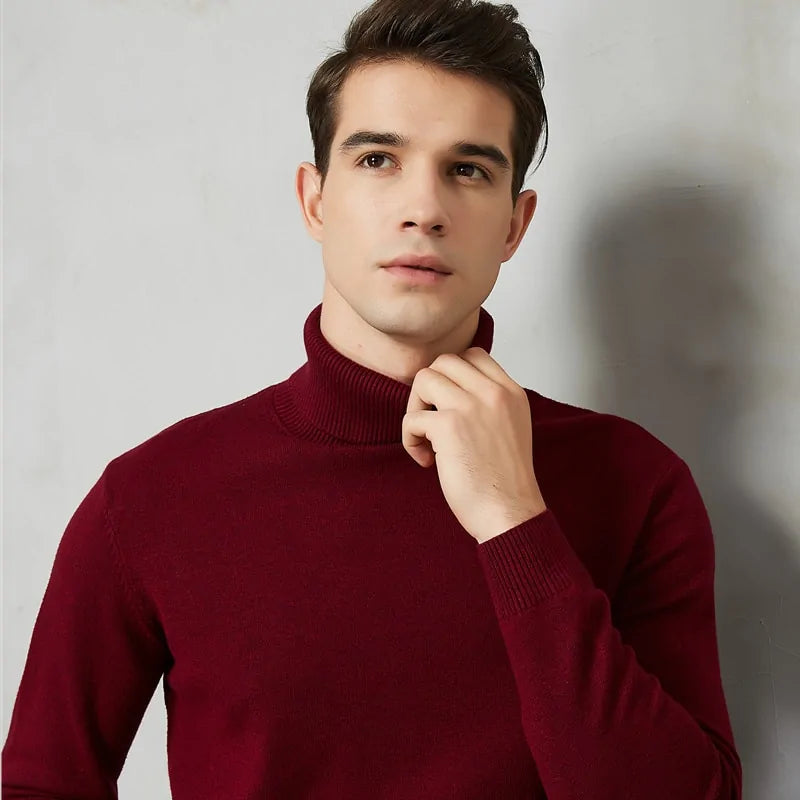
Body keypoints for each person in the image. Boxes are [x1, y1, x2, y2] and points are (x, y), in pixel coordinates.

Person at [2, 0, 743, 798]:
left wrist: (513, 521)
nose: (423, 209)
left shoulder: (636, 486)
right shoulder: (153, 496)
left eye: (468, 169)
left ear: (514, 224)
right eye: (378, 159)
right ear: (315, 200)